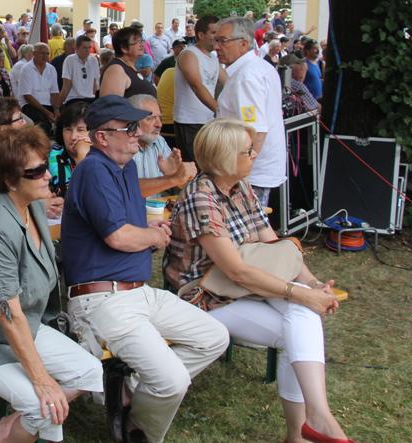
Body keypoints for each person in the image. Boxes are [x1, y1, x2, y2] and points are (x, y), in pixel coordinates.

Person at [164, 119, 352, 443]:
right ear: (224, 158)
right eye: (247, 151)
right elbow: (236, 270)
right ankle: (307, 428)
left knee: (303, 318)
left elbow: (273, 248)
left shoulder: (240, 187)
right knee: (301, 321)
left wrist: (314, 284)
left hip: (244, 286)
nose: (255, 155)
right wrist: (301, 294)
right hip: (205, 295)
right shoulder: (201, 197)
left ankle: (312, 424)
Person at [61, 95, 229, 443]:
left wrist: (154, 230)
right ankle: (139, 431)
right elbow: (118, 237)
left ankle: (128, 392)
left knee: (215, 337)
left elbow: (129, 218)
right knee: (172, 380)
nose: (138, 134)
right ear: (103, 137)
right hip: (102, 298)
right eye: (130, 128)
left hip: (138, 291)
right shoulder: (92, 168)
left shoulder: (125, 168)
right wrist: (152, 236)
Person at [0, 125, 104, 443]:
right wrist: (42, 380)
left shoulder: (33, 205)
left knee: (90, 371)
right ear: (10, 181)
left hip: (24, 326)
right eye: (37, 170)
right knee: (44, 406)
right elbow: (6, 312)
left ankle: (4, 429)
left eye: (46, 164)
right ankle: (14, 431)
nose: (48, 175)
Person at [214, 17, 287, 206]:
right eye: (216, 40)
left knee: (249, 231)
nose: (217, 47)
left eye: (223, 41)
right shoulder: (257, 67)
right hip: (248, 169)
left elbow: (257, 130)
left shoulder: (247, 76)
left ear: (243, 44)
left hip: (249, 174)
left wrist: (239, 172)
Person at [174, 16, 225, 163]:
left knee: (207, 165)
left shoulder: (213, 57)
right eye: (214, 32)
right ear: (201, 35)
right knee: (194, 167)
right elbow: (196, 85)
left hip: (208, 120)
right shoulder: (189, 54)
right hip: (189, 120)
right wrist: (219, 109)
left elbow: (228, 82)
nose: (218, 37)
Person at [128, 94, 195, 198]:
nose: (159, 124)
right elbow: (127, 188)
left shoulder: (159, 141)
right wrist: (173, 178)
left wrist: (175, 175)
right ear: (132, 121)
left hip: (159, 211)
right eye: (150, 118)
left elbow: (183, 187)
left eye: (160, 118)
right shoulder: (121, 145)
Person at [48, 101, 91, 198]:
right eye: (68, 129)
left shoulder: (105, 156)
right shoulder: (52, 155)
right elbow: (70, 195)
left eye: (80, 130)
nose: (73, 137)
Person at [100, 26, 157, 98]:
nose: (142, 45)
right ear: (124, 48)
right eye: (137, 42)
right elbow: (111, 104)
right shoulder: (116, 70)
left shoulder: (128, 67)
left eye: (142, 41)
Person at [17, 43, 59, 136]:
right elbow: (27, 96)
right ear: (34, 54)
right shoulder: (26, 69)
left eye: (47, 54)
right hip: (30, 105)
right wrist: (47, 112)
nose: (45, 56)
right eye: (42, 53)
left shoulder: (51, 69)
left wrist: (56, 110)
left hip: (48, 106)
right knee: (41, 125)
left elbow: (54, 92)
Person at [59, 34, 100, 106]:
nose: (88, 50)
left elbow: (94, 83)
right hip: (73, 99)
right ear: (76, 48)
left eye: (89, 47)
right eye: (84, 48)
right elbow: (67, 84)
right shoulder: (70, 60)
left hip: (89, 99)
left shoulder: (94, 60)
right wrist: (59, 104)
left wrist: (92, 96)